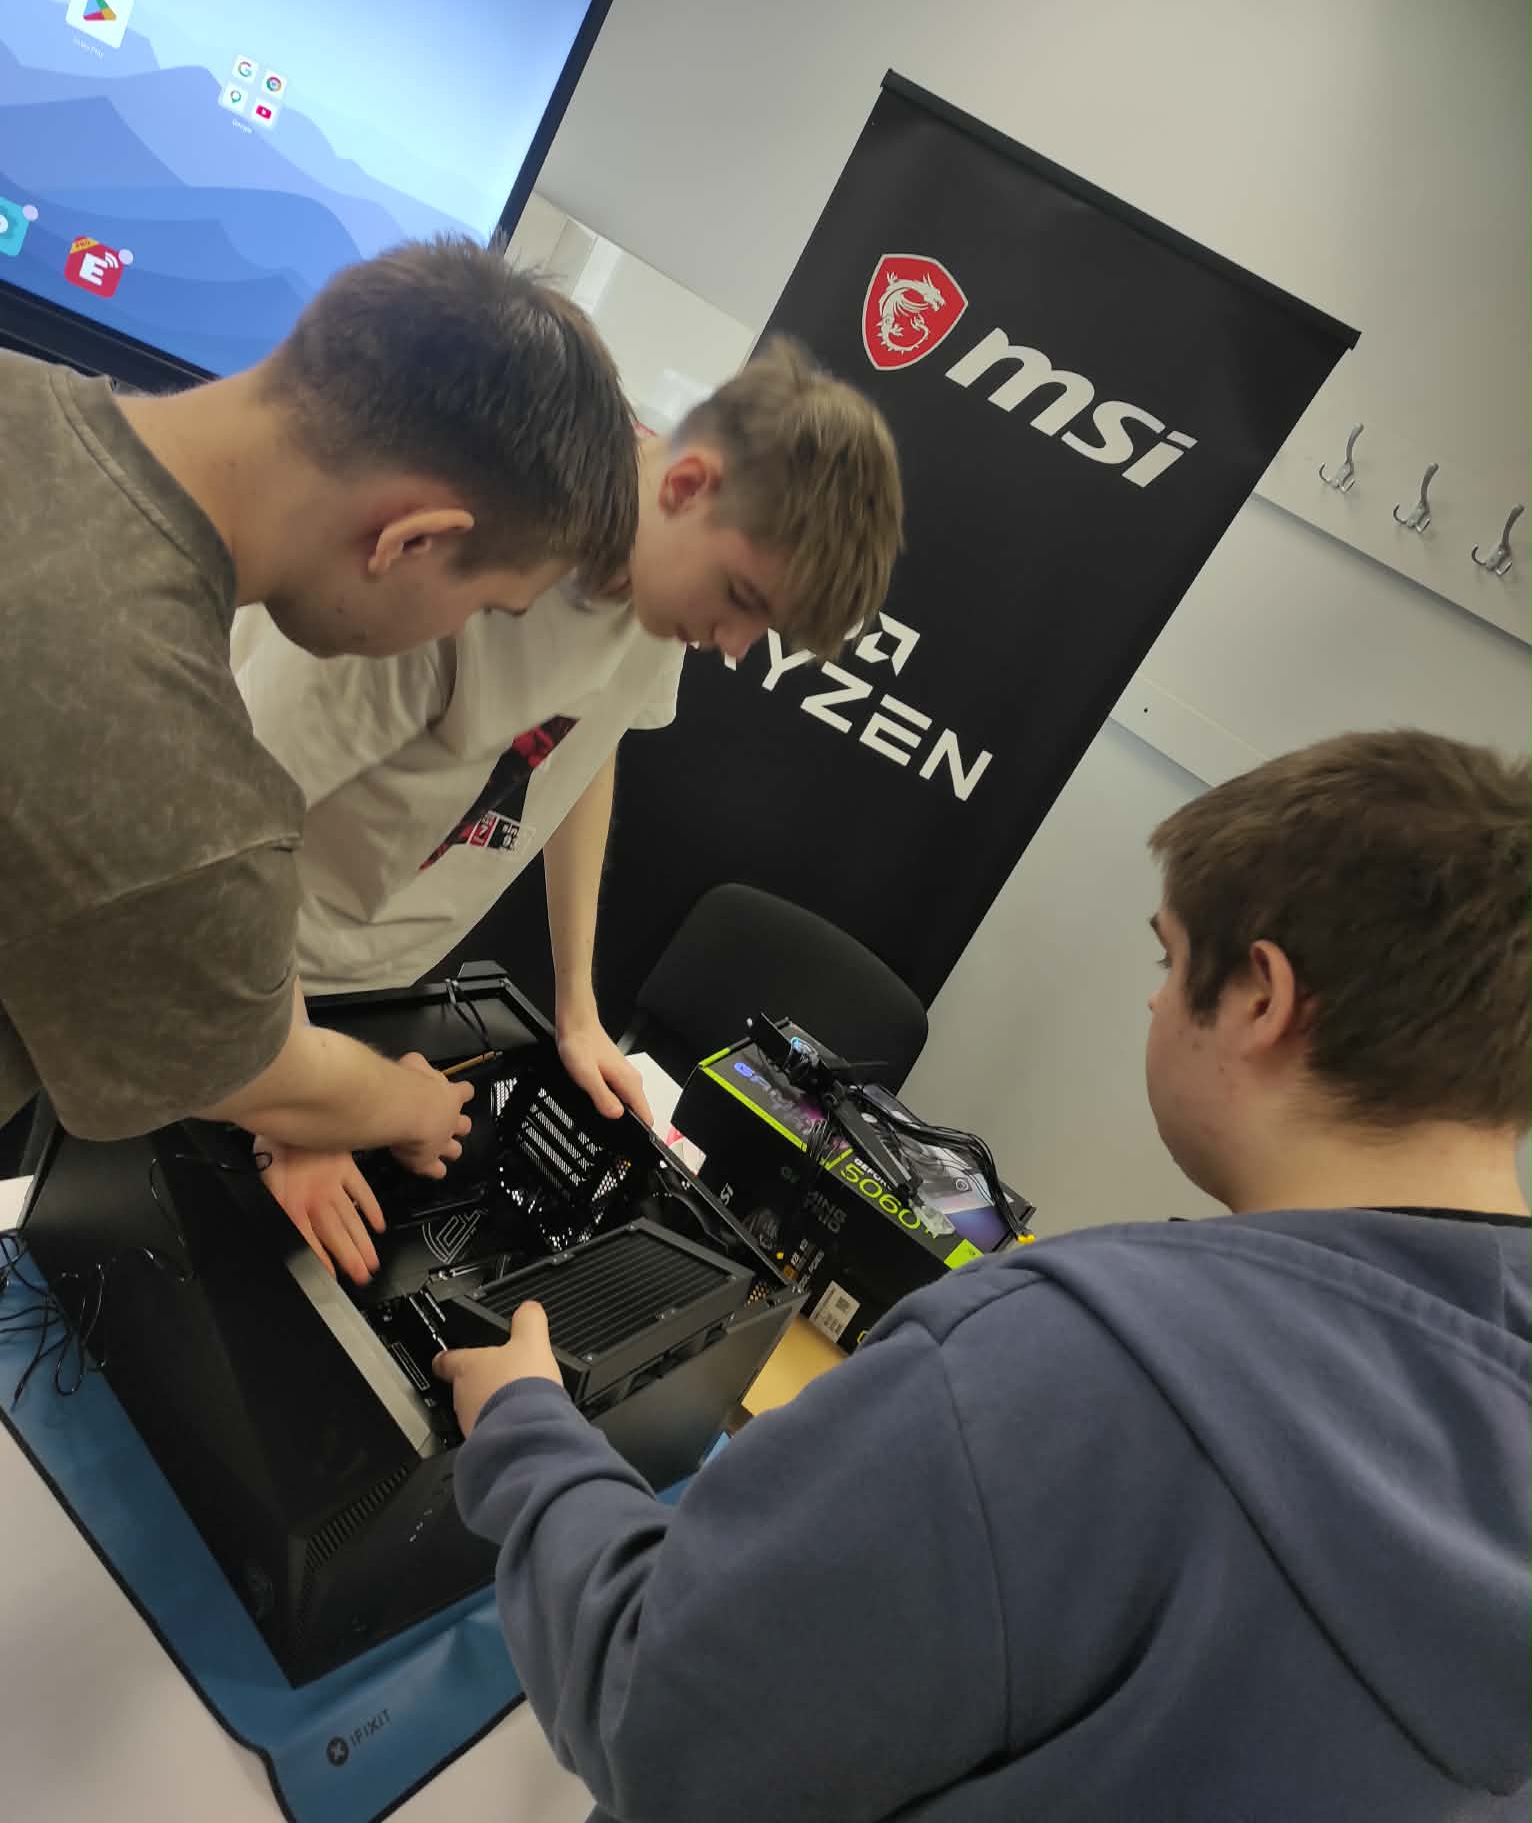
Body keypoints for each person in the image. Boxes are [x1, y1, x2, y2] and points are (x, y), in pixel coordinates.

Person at [434, 728, 1532, 1823]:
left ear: (1260, 998)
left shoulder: (1059, 1369)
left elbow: (659, 1721)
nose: (1156, 1004)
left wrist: (527, 1433)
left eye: (1168, 960)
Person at [232, 339, 904, 1282]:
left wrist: (577, 1007)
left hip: (362, 988)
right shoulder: (467, 556)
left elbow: (584, 749)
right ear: (688, 487)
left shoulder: (666, 578)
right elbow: (224, 832)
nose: (733, 646)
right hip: (231, 972)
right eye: (744, 599)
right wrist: (295, 1101)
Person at [0, 238, 638, 1180]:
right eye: (487, 607)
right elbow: (258, 1075)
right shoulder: (174, 780)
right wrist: (413, 1106)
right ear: (411, 541)